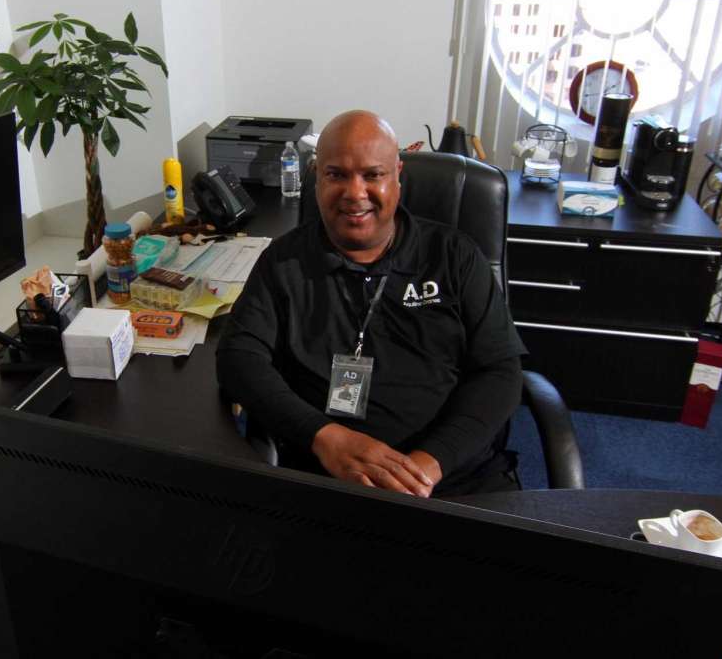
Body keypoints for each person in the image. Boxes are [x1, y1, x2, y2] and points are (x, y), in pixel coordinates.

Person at [217, 110, 525, 498]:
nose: (354, 193)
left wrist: (428, 464)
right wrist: (323, 436)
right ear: (317, 178)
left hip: (453, 481)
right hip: (329, 478)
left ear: (398, 176)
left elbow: (500, 371)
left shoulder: (453, 256)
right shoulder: (284, 261)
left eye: (372, 175)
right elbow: (238, 358)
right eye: (336, 175)